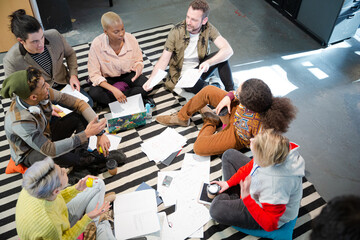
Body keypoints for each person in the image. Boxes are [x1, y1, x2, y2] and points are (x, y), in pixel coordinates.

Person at [1, 67, 117, 168]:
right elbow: (49, 149)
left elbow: (79, 104)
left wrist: (99, 133)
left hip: (47, 134)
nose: (48, 86)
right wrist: (86, 134)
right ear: (33, 97)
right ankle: (85, 160)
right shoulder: (20, 122)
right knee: (48, 158)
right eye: (43, 86)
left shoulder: (44, 92)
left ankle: (80, 156)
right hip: (32, 151)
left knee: (79, 116)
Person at [156, 78, 297, 156]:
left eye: (238, 91)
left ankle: (210, 120)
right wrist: (229, 97)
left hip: (238, 136)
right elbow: (235, 93)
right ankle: (182, 117)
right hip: (235, 112)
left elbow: (265, 154)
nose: (236, 90)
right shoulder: (258, 95)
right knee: (209, 90)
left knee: (199, 147)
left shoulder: (264, 130)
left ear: (247, 104)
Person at [209, 129, 305, 232]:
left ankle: (233, 200)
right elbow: (251, 166)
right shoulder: (276, 150)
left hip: (263, 211)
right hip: (260, 184)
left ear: (263, 160)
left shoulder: (276, 188)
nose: (251, 140)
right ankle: (233, 199)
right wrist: (228, 183)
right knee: (229, 155)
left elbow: (270, 225)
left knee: (215, 210)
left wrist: (247, 199)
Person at [3, 9, 93, 107]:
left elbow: (70, 54)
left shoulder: (54, 36)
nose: (41, 44)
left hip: (64, 83)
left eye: (42, 37)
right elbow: (13, 94)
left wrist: (73, 75)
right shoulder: (11, 60)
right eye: (35, 41)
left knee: (88, 105)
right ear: (21, 41)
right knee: (57, 119)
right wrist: (36, 104)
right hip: (41, 97)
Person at [143, 0, 235, 94]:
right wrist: (151, 79)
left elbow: (228, 50)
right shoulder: (176, 32)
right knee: (195, 86)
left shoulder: (208, 28)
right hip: (182, 75)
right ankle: (216, 92)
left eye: (194, 19)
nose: (188, 22)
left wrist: (208, 62)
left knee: (223, 58)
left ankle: (231, 92)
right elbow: (163, 59)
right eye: (187, 17)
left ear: (204, 21)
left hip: (200, 68)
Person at [16, 157, 116, 240]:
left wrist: (76, 189)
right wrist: (87, 219)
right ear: (56, 190)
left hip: (57, 216)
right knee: (102, 223)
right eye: (62, 173)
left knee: (97, 183)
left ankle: (97, 216)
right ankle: (99, 220)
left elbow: (56, 198)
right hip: (57, 233)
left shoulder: (32, 186)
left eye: (59, 168)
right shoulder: (50, 225)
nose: (64, 169)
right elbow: (66, 237)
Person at [87, 11, 151, 107]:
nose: (121, 34)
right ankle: (129, 98)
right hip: (106, 79)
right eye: (116, 32)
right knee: (94, 93)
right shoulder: (97, 44)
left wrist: (138, 68)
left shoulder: (131, 39)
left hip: (127, 75)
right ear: (105, 32)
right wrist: (114, 90)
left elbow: (139, 60)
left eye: (123, 29)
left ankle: (114, 101)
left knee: (148, 86)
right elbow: (94, 75)